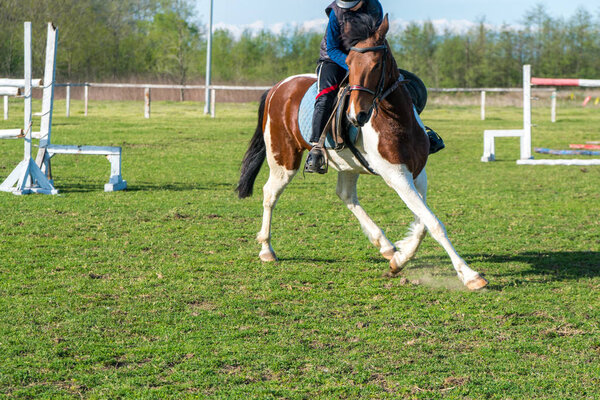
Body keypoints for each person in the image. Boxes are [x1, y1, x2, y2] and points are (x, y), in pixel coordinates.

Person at [305, 0, 444, 174]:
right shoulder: (336, 13)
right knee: (326, 96)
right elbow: (332, 48)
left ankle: (420, 132)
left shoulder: (374, 6)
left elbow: (379, 38)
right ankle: (316, 147)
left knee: (400, 86)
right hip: (335, 60)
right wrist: (355, 66)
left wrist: (372, 63)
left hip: (368, 59)